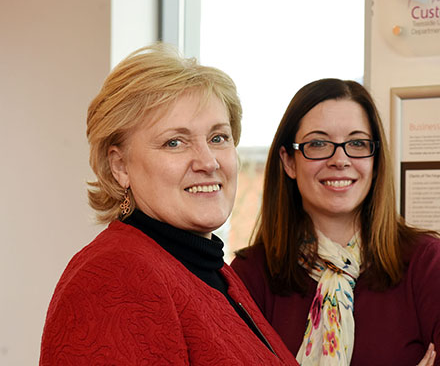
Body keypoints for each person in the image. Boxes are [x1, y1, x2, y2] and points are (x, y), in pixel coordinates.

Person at [40, 43, 296, 365]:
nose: (207, 161)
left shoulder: (213, 271)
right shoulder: (116, 277)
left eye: (218, 138)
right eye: (175, 142)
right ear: (120, 166)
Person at [231, 78, 440, 366]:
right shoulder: (250, 275)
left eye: (357, 143)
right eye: (317, 143)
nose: (340, 159)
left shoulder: (424, 262)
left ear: (375, 161)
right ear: (289, 161)